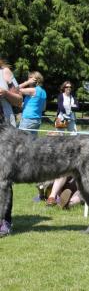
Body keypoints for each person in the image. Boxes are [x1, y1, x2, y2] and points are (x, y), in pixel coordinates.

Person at [0, 58, 23, 237]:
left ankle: (5, 221)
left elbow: (19, 101)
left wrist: (5, 93)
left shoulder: (5, 73)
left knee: (4, 178)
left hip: (6, 133)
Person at [18, 71, 47, 137]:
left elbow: (15, 89)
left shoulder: (33, 90)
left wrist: (27, 83)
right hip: (37, 120)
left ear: (34, 80)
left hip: (28, 119)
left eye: (29, 78)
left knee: (21, 140)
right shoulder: (43, 91)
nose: (28, 80)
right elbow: (43, 108)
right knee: (32, 142)